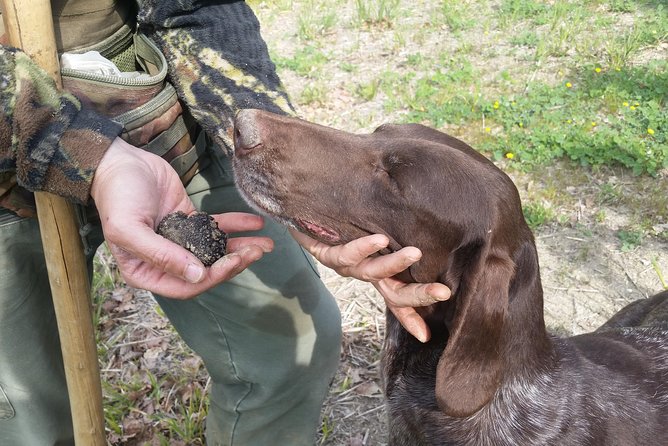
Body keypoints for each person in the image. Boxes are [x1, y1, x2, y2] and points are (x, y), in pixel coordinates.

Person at [0, 1, 449, 444]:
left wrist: (282, 173)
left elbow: (201, 6)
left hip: (156, 127)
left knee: (290, 346)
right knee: (25, 417)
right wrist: (84, 153)